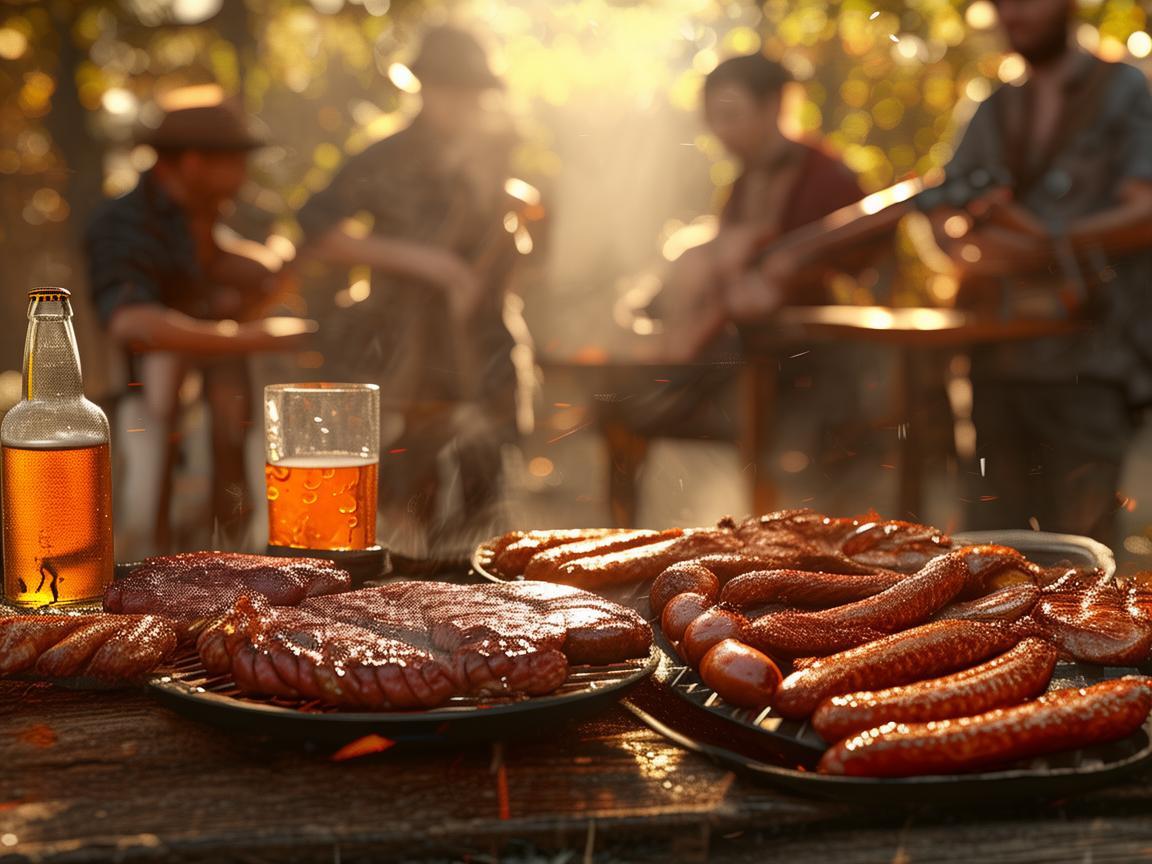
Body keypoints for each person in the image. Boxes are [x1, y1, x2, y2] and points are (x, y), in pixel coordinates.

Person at [296, 25, 533, 556]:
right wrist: (428, 262)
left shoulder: (495, 153)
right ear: (422, 87)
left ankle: (481, 598)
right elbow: (317, 227)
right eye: (447, 87)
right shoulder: (386, 157)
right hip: (403, 343)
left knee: (485, 487)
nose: (460, 101)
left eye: (470, 90)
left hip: (483, 339)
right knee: (409, 486)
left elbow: (511, 237)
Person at [921, 0, 1152, 542]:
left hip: (1090, 364)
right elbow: (940, 203)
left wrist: (1045, 243)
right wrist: (968, 249)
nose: (1013, 13)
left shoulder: (1125, 91)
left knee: (1083, 551)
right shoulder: (994, 106)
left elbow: (1146, 213)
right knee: (991, 547)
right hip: (996, 360)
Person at [86, 97, 307, 556]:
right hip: (131, 410)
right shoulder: (120, 224)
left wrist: (272, 261)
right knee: (144, 529)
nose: (244, 176)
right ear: (192, 162)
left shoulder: (195, 214)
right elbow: (131, 321)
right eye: (235, 163)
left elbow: (223, 258)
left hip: (197, 410)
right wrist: (247, 339)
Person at [656, 53, 865, 360]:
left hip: (816, 353)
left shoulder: (827, 177)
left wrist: (795, 271)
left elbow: (868, 260)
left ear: (772, 106)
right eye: (712, 119)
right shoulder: (741, 184)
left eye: (730, 116)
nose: (720, 131)